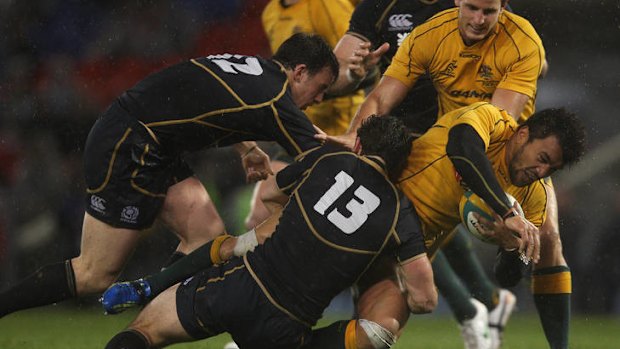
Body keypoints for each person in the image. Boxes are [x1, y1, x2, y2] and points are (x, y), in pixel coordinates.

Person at [0, 33, 339, 319]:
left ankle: (143, 325)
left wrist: (247, 148)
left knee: (205, 236)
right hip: (130, 143)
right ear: (299, 72)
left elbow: (208, 96)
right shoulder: (277, 97)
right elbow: (325, 156)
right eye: (321, 87)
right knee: (93, 274)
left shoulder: (257, 72)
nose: (321, 98)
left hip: (150, 141)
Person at [101, 116, 438, 349]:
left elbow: (270, 192)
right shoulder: (400, 213)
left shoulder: (328, 159)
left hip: (241, 284)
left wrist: (288, 222)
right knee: (380, 332)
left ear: (359, 145)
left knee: (144, 333)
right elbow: (424, 300)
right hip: (284, 327)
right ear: (399, 163)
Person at [325, 0, 540, 347]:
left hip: (488, 153)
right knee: (380, 251)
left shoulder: (517, 37)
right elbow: (361, 87)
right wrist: (355, 120)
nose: (479, 19)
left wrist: (497, 203)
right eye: (472, 9)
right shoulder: (417, 25)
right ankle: (480, 304)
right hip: (410, 142)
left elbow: (496, 124)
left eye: (488, 12)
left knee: (550, 241)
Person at [320, 102, 585, 349]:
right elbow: (462, 148)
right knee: (299, 295)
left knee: (379, 333)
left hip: (406, 256)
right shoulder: (489, 120)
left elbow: (509, 277)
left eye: (551, 169)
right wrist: (505, 210)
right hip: (369, 216)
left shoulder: (533, 196)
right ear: (522, 134)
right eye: (542, 158)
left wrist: (511, 248)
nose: (541, 171)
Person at [244, 0, 364, 230]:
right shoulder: (270, 13)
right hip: (298, 128)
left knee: (348, 228)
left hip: (338, 130)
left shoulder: (328, 5)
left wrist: (352, 77)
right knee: (259, 217)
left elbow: (362, 69)